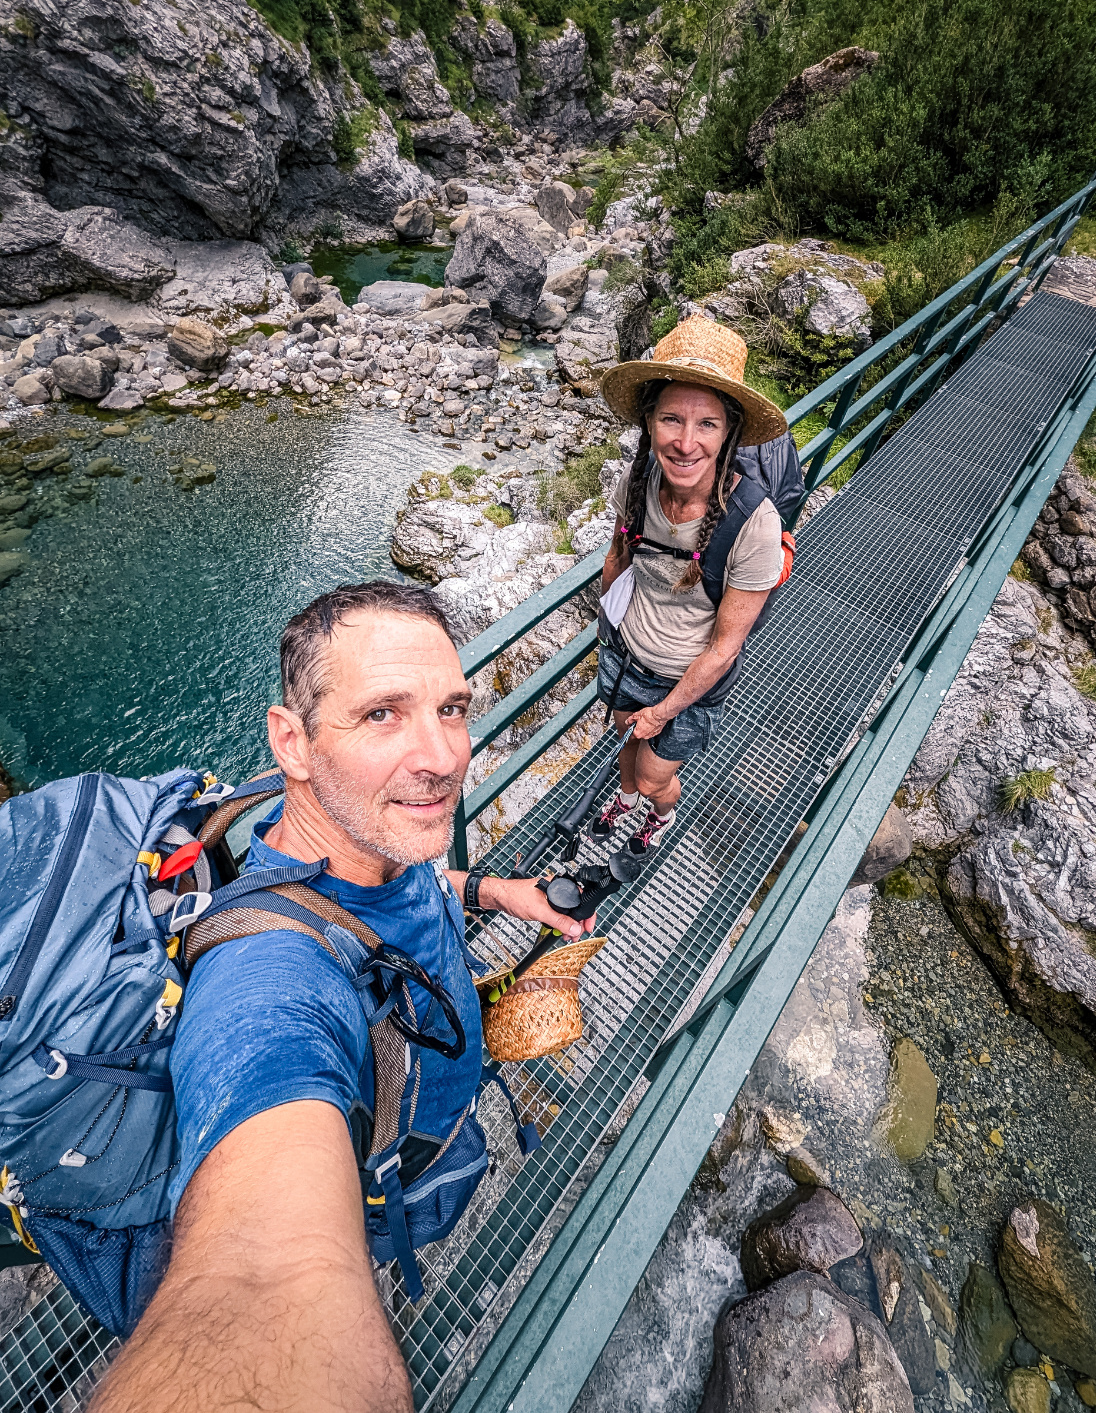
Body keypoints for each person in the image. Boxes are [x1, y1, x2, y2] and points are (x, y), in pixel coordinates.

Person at [89, 581, 592, 1413]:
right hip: (382, 1197)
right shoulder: (269, 974)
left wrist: (497, 893)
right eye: (383, 715)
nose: (442, 756)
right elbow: (261, 1277)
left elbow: (406, 887)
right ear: (292, 741)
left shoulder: (367, 831)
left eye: (453, 709)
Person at [591, 316, 794, 861]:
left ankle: (659, 813)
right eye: (671, 420)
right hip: (628, 656)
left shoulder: (753, 524)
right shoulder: (634, 484)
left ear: (727, 433)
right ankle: (626, 797)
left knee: (655, 775)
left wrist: (662, 712)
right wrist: (607, 631)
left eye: (706, 425)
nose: (685, 443)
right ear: (649, 425)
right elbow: (618, 556)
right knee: (626, 761)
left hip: (687, 682)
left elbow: (725, 648)